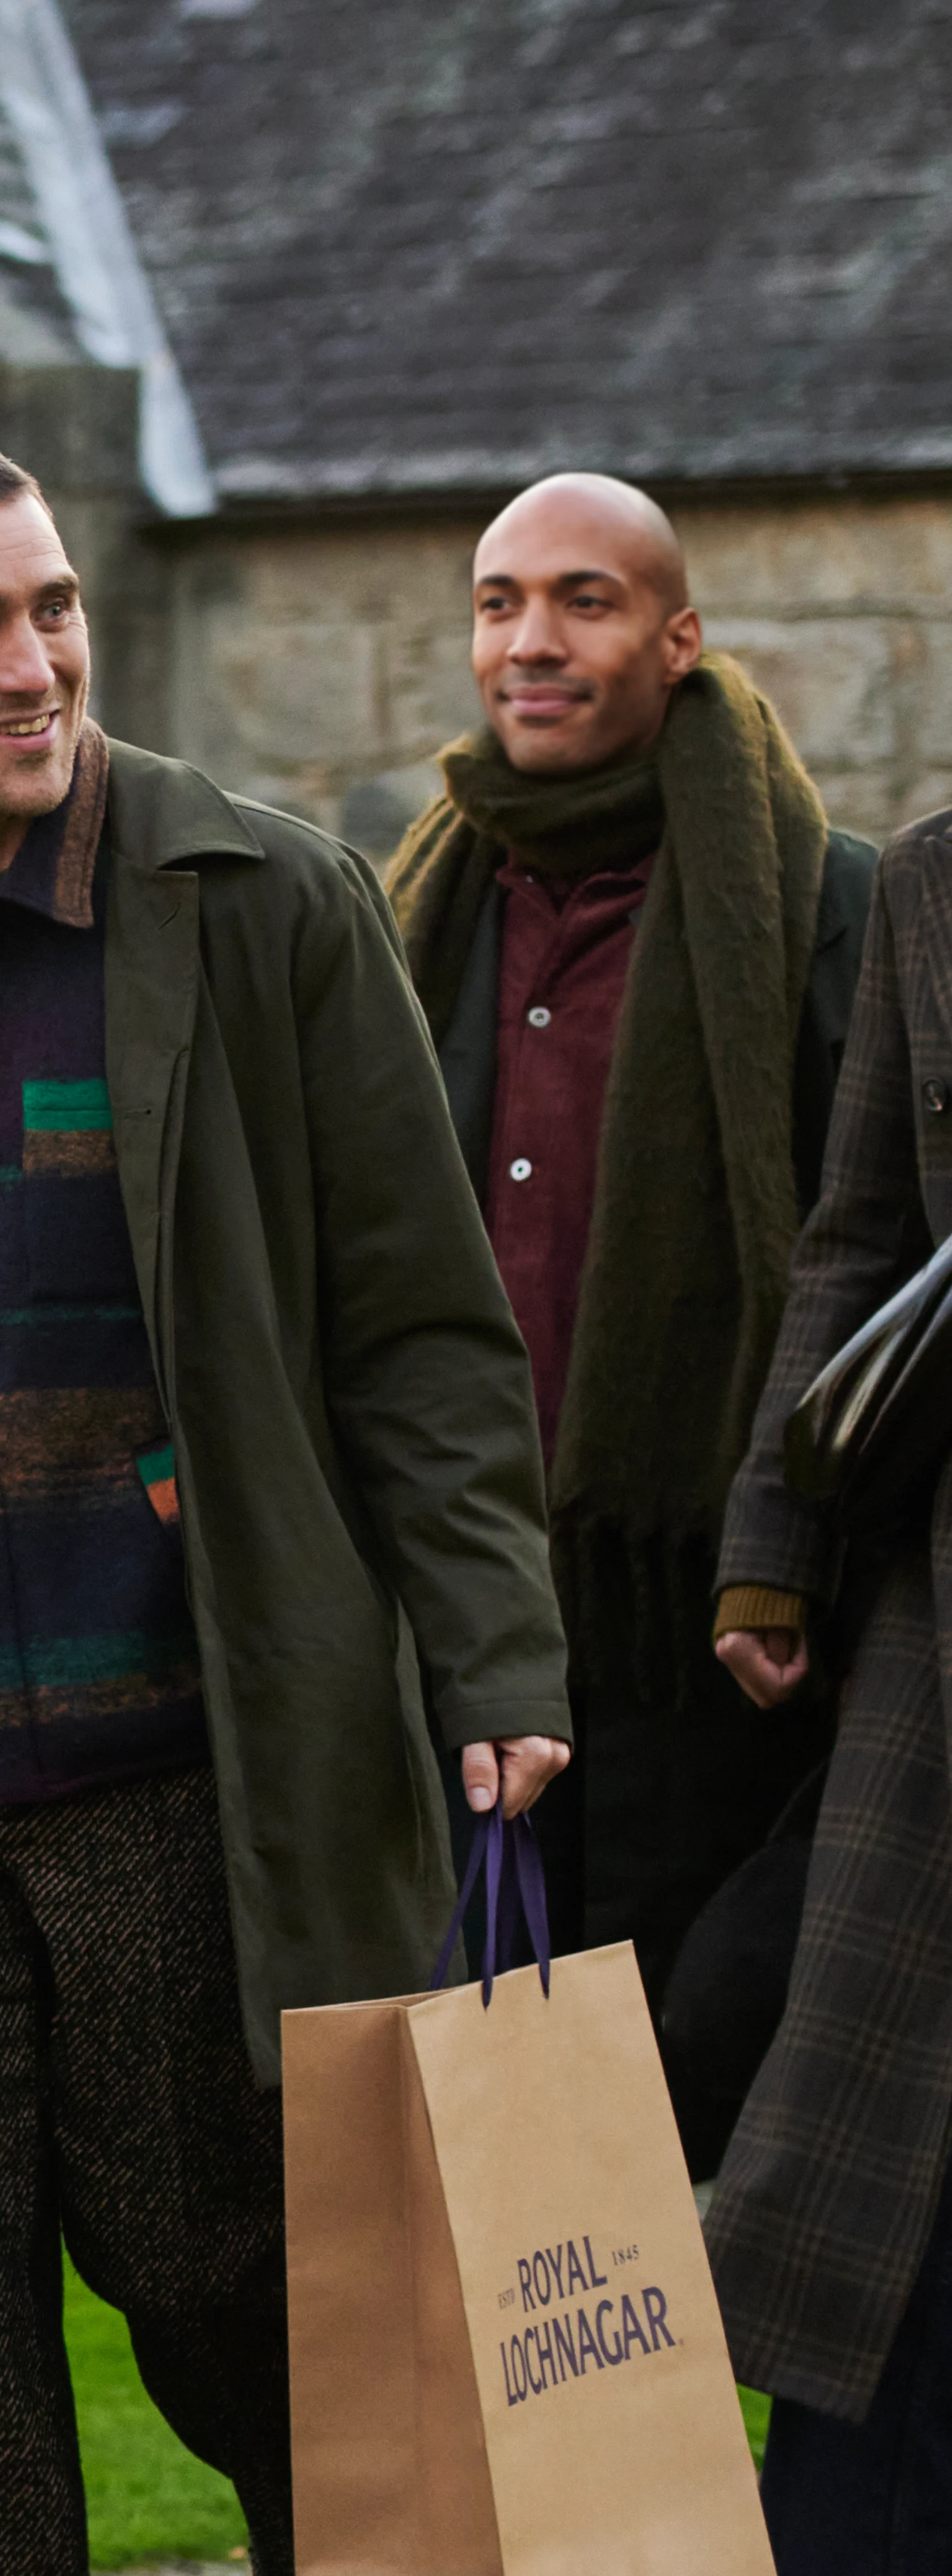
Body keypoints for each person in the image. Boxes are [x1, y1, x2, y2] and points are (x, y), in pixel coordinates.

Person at [0, 428, 571, 2576]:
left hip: (181, 1736)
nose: (32, 657)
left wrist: (496, 1645)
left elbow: (419, 1328)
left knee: (217, 2265)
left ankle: (369, 2540)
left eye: (50, 603)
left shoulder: (265, 901)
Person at [375, 472, 866, 2083]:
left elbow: (867, 1253)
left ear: (677, 640)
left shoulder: (826, 909)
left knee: (679, 2088)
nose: (532, 639)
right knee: (477, 2107)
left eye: (585, 600)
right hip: (449, 1610)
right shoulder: (399, 919)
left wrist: (788, 1544)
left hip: (703, 1625)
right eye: (499, 601)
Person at [708, 805, 952, 2566]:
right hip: (936, 1640)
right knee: (884, 2180)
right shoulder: (934, 884)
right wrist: (769, 1541)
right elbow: (855, 1234)